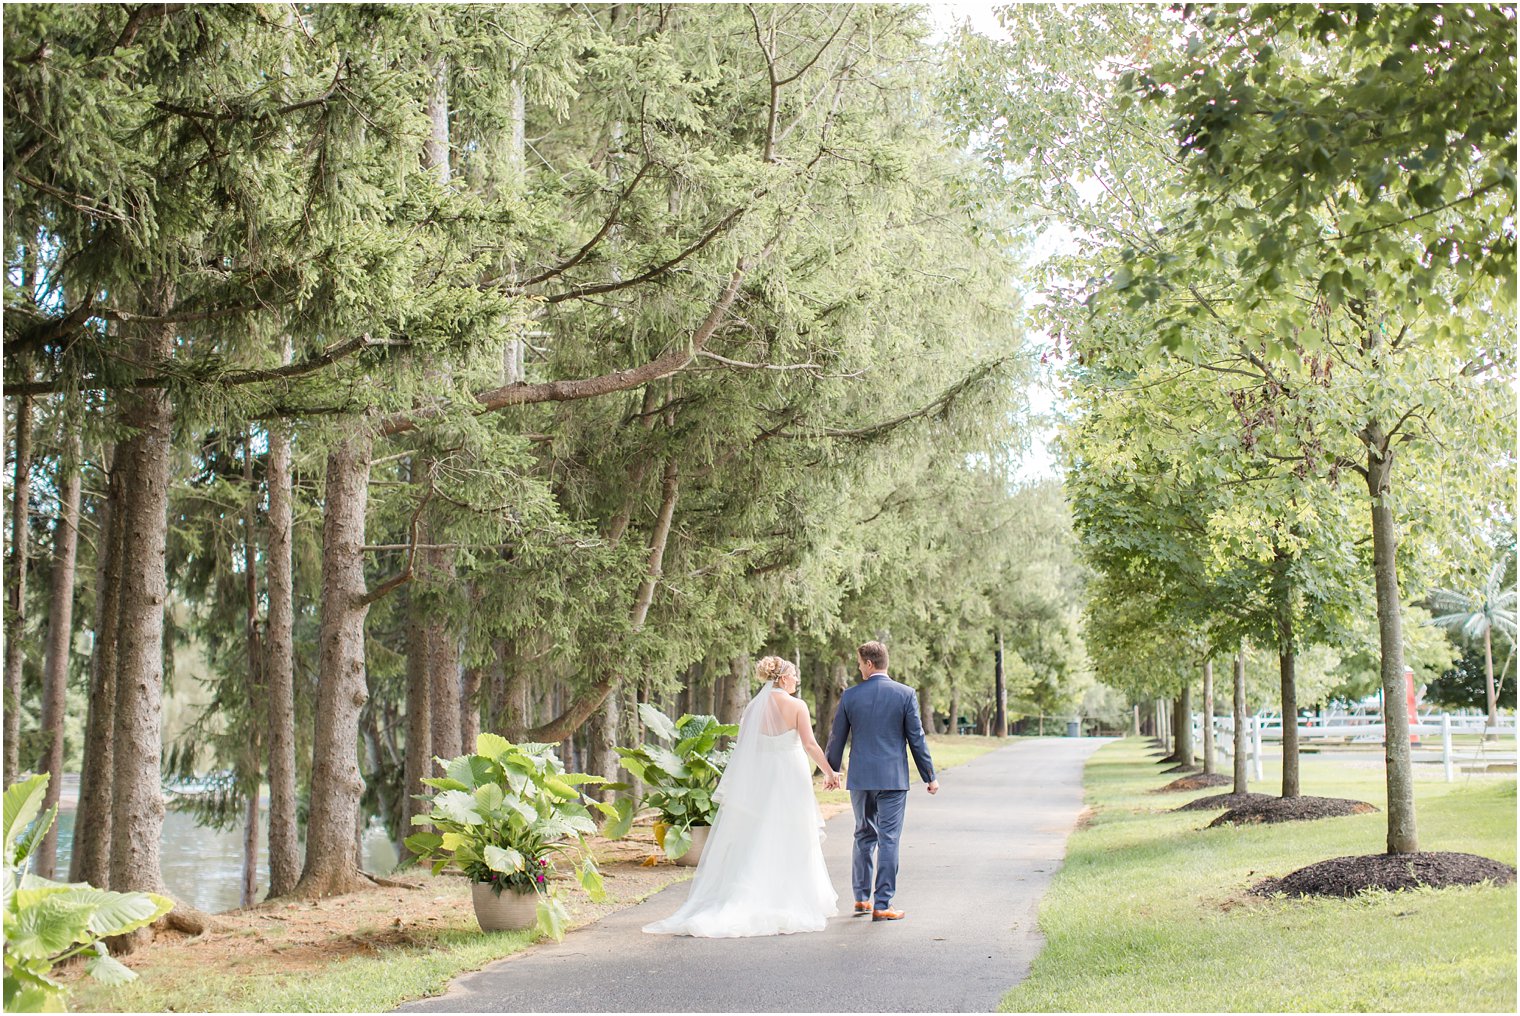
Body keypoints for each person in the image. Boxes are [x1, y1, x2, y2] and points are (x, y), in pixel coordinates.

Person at [642, 656, 841, 937]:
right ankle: (788, 897)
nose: (796, 680)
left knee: (759, 832)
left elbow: (747, 748)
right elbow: (809, 743)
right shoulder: (797, 706)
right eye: (794, 675)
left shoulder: (753, 708)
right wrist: (830, 772)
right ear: (783, 678)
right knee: (791, 831)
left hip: (762, 778)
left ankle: (753, 891)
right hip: (790, 776)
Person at [824, 640, 937, 922]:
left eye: (860, 663)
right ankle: (882, 903)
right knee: (889, 839)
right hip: (893, 779)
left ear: (870, 663)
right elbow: (917, 739)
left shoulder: (850, 696)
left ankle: (862, 899)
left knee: (863, 835)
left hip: (861, 778)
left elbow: (837, 737)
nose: (859, 667)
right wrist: (929, 776)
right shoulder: (905, 694)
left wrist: (832, 771)